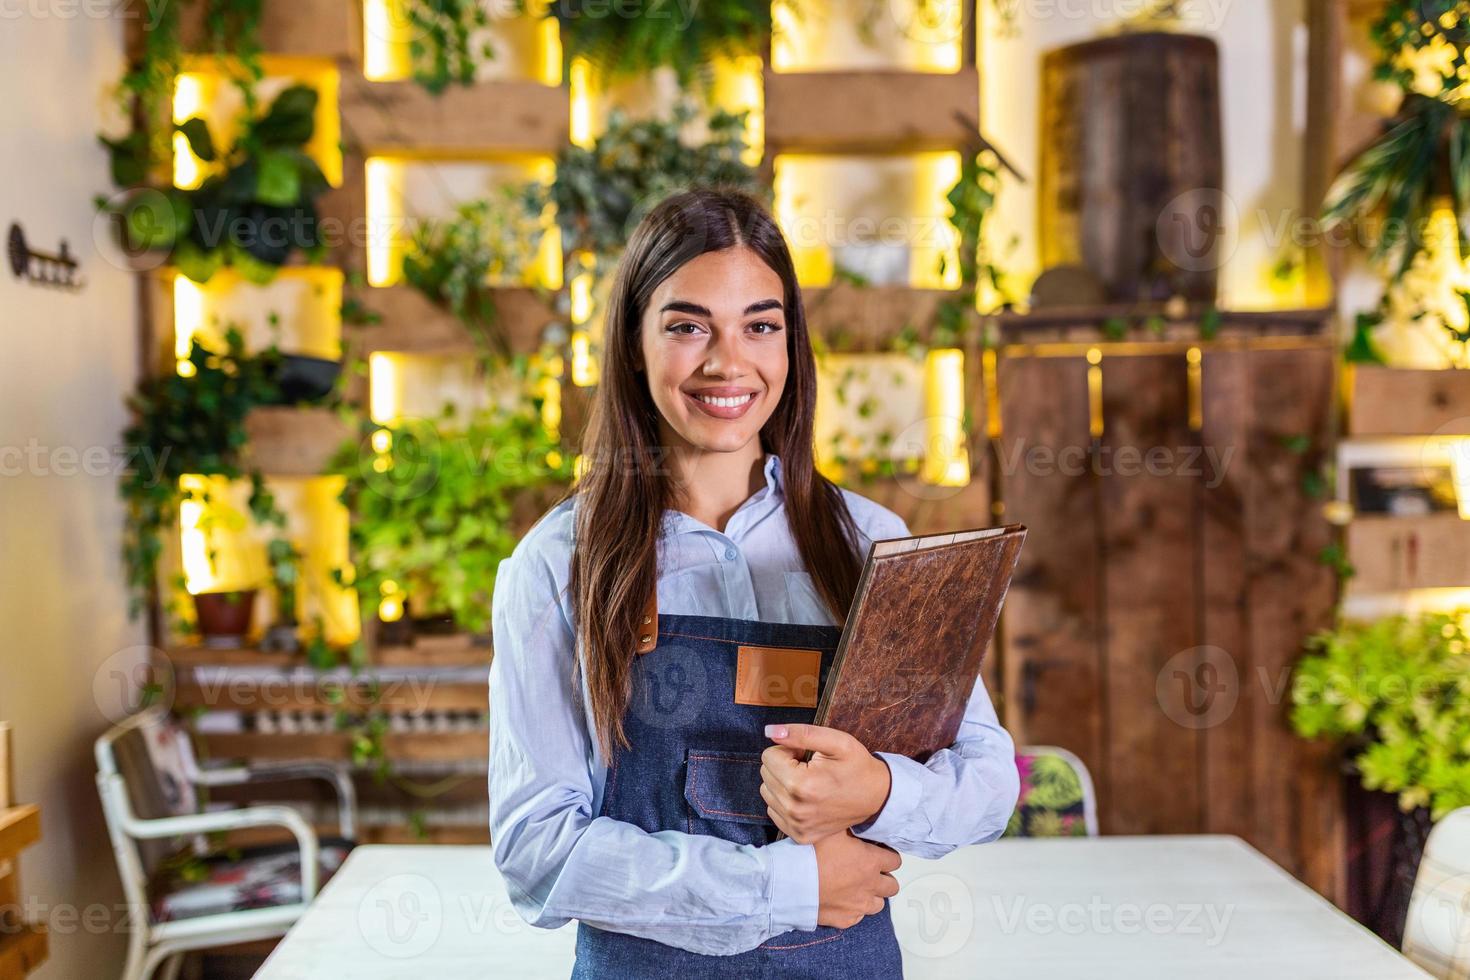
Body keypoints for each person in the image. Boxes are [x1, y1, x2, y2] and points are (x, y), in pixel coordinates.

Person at [489, 186, 1020, 978]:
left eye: (759, 326)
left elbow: (986, 781)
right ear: (634, 343)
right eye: (687, 326)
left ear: (790, 346)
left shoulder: (871, 543)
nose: (726, 361)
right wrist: (785, 887)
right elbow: (537, 849)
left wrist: (876, 791)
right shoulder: (559, 565)